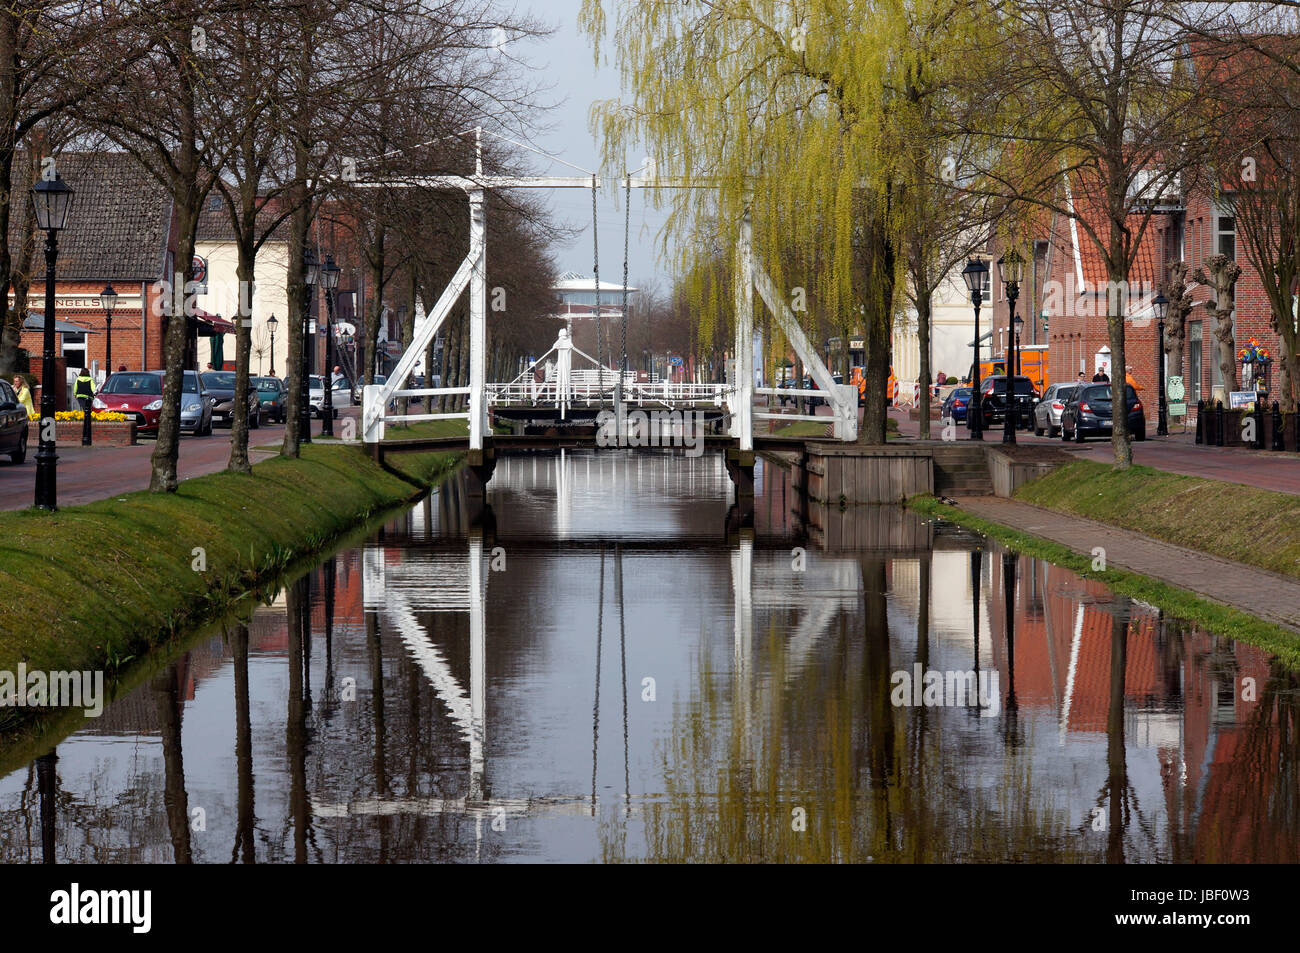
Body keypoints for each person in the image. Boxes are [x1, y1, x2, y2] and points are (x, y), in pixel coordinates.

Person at [73, 367, 95, 446]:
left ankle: (83, 419)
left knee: (83, 408)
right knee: (88, 410)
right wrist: (94, 393)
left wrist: (75, 394)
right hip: (88, 396)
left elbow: (75, 388)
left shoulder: (78, 379)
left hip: (80, 395)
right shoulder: (90, 379)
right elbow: (93, 388)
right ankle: (87, 420)